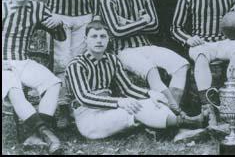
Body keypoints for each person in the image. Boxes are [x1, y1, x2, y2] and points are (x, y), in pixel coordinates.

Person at [65, 18, 206, 140]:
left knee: (154, 101)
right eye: (94, 36)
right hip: (88, 117)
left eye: (103, 36)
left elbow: (127, 88)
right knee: (135, 108)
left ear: (108, 39)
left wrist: (150, 93)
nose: (99, 41)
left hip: (109, 111)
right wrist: (119, 101)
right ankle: (189, 123)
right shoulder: (77, 65)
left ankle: (179, 131)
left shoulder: (111, 60)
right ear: (85, 40)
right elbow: (84, 98)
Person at [101, 0, 190, 115]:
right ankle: (178, 114)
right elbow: (116, 32)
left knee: (181, 64)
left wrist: (127, 22)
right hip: (125, 51)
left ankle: (171, 113)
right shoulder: (108, 1)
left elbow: (155, 26)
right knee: (151, 70)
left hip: (148, 46)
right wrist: (143, 21)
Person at [2, 0, 66, 154]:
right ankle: (49, 136)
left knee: (53, 82)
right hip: (3, 63)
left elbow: (60, 37)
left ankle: (37, 134)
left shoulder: (38, 8)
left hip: (23, 61)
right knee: (14, 90)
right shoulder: (3, 7)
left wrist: (58, 21)